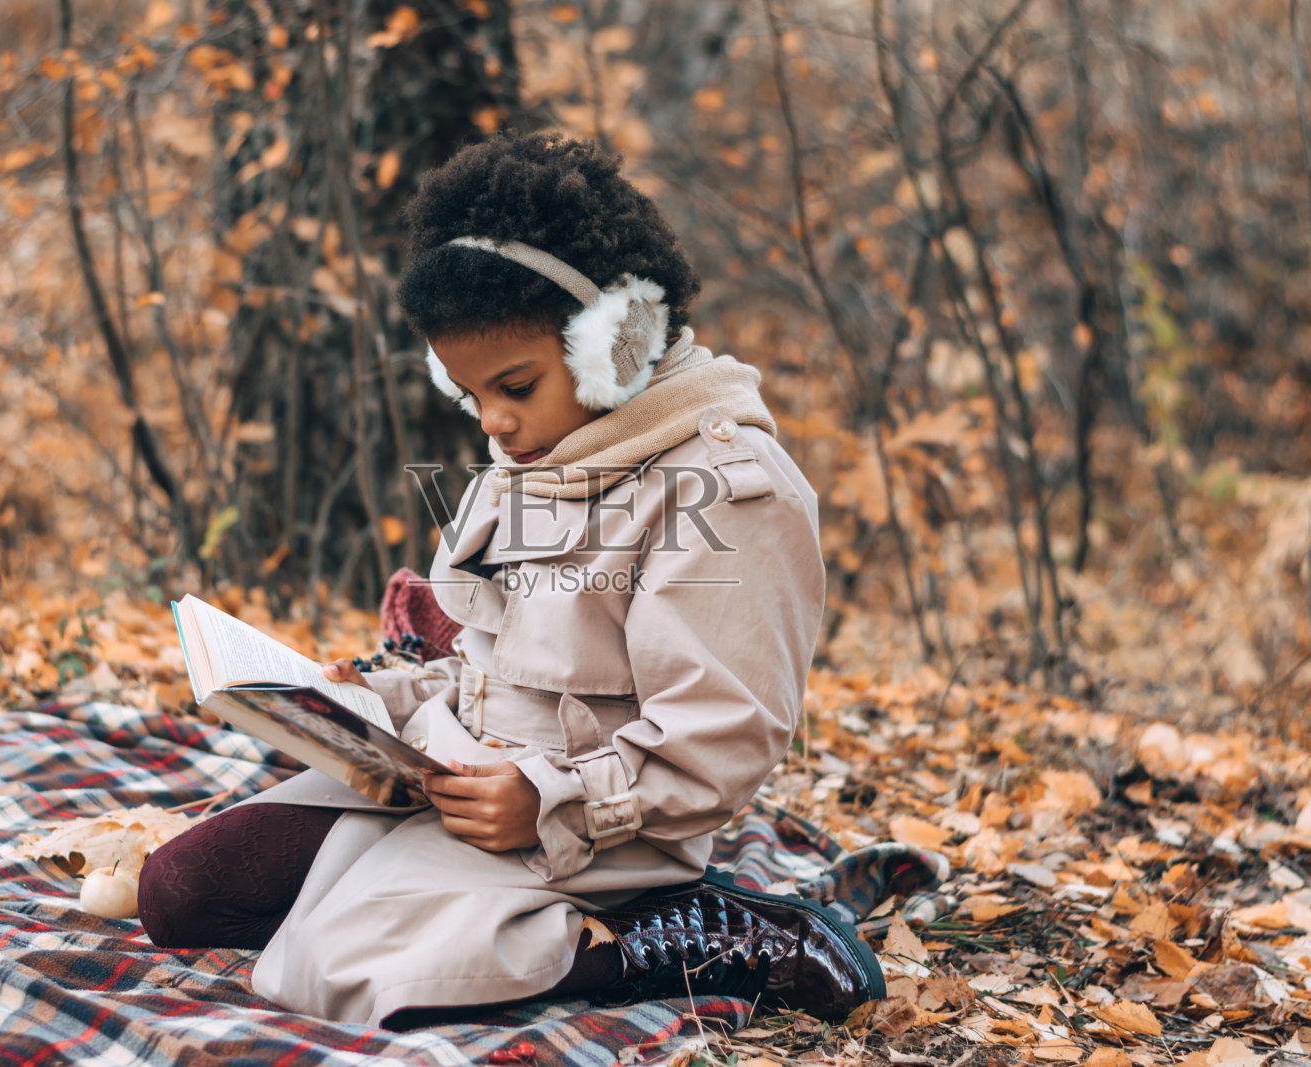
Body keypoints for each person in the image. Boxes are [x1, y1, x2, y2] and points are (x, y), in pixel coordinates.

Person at [137, 131, 884, 1028]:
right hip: (456, 776)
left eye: (516, 385)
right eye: (469, 393)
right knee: (181, 893)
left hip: (599, 827)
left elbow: (719, 742)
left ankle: (695, 932)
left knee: (330, 976)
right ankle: (443, 903)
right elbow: (496, 662)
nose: (494, 422)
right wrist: (375, 701)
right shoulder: (540, 452)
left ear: (621, 341)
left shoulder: (726, 489)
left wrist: (545, 799)